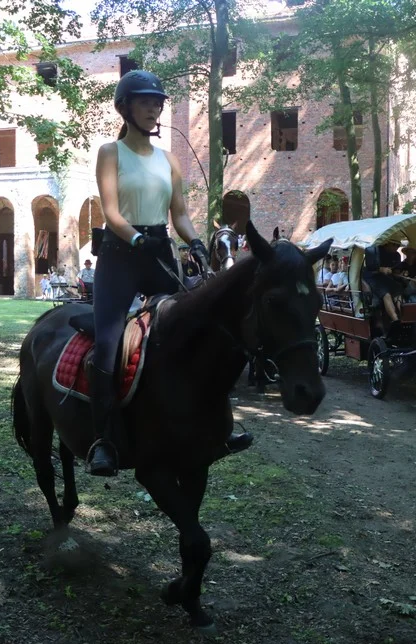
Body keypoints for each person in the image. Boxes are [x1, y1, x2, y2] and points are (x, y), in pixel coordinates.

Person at [88, 69, 248, 477]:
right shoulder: (110, 153)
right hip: (120, 255)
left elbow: (179, 214)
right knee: (107, 344)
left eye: (157, 102)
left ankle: (217, 426)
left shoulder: (169, 160)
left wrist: (195, 241)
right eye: (145, 101)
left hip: (160, 250)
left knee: (198, 331)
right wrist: (135, 240)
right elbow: (111, 213)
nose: (154, 108)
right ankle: (103, 439)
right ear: (125, 108)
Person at [362, 240, 405, 330]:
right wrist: (381, 269)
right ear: (387, 244)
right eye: (395, 244)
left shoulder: (397, 255)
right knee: (386, 294)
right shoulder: (375, 251)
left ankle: (404, 317)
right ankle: (396, 321)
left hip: (386, 278)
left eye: (398, 245)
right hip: (372, 277)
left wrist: (400, 274)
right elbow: (368, 267)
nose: (397, 247)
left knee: (398, 289)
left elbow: (396, 271)